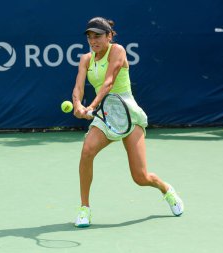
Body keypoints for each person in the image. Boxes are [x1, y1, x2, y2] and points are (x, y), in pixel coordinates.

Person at [72, 17, 184, 227]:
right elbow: (78, 87)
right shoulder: (86, 59)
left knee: (140, 177)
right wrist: (78, 104)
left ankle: (165, 189)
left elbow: (109, 82)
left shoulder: (118, 51)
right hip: (106, 115)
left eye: (97, 36)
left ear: (109, 36)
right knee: (87, 151)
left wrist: (92, 106)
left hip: (128, 112)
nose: (92, 40)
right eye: (89, 36)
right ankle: (84, 208)